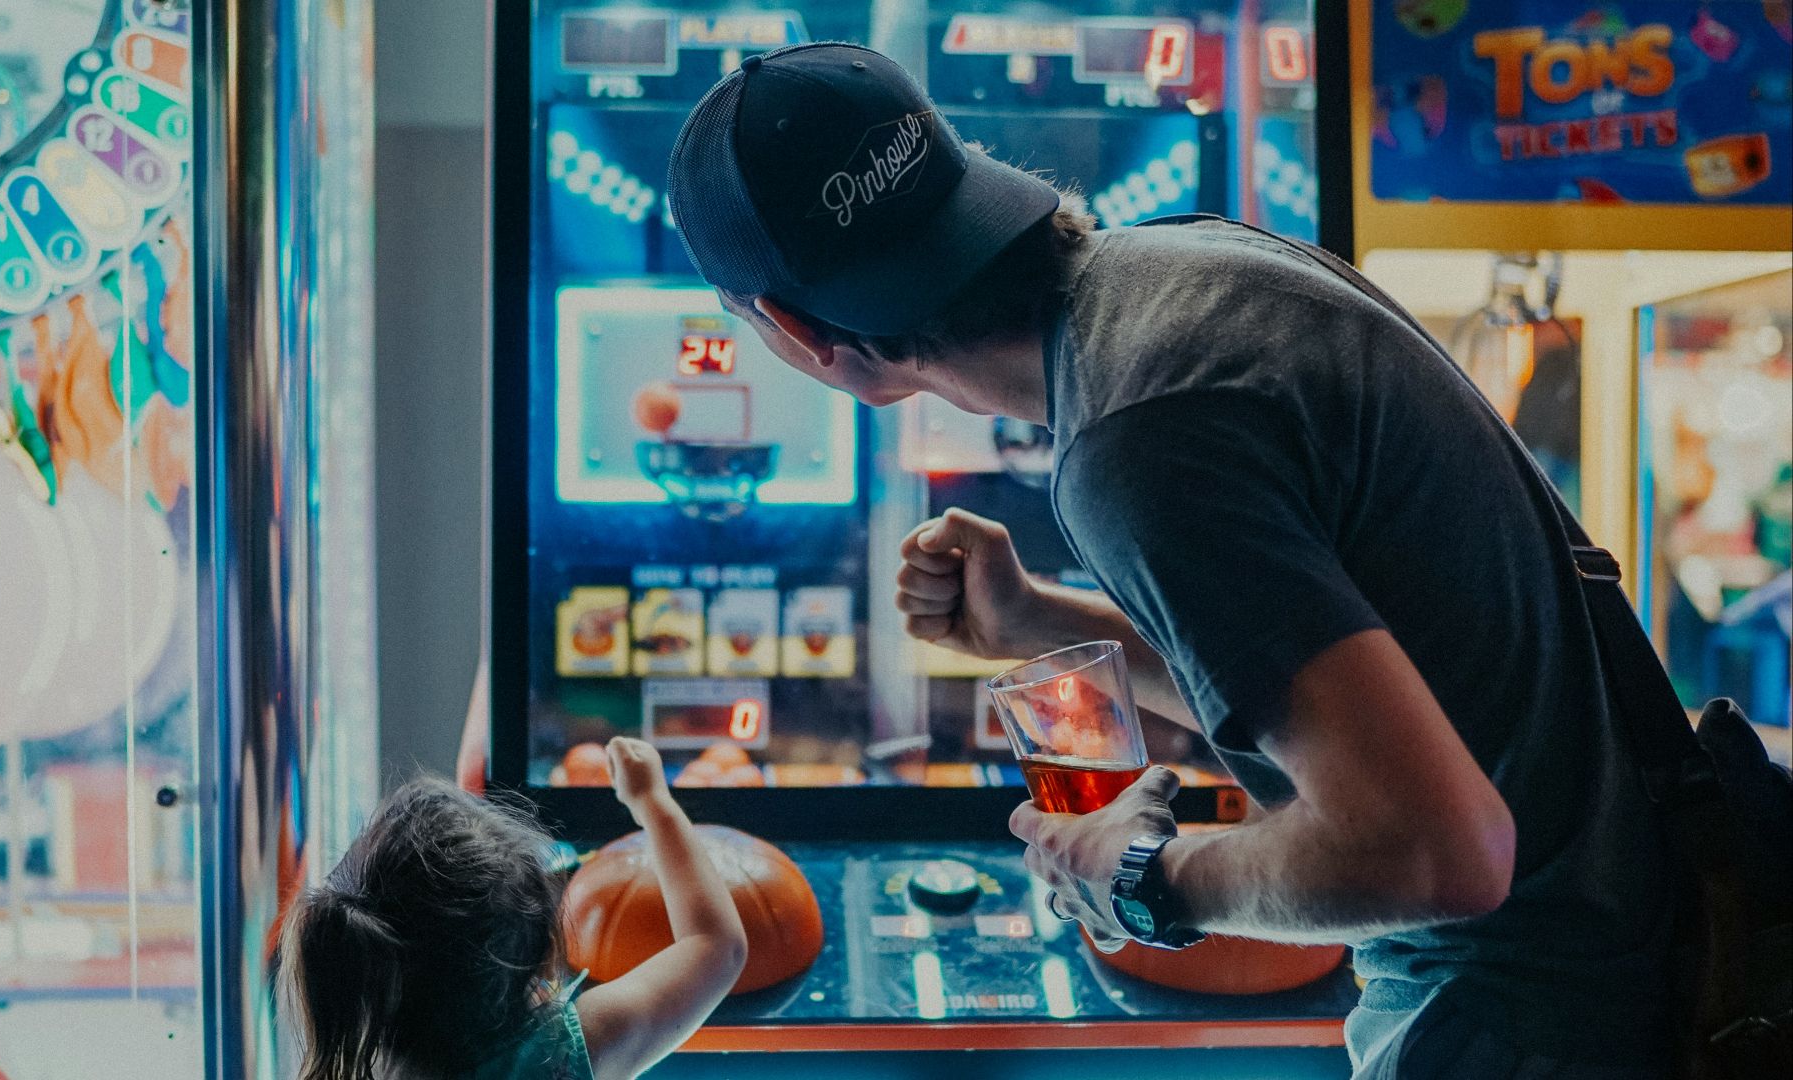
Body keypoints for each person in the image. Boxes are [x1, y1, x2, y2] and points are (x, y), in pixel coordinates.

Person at [657, 42, 1674, 1078]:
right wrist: (1044, 622)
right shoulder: (1188, 273)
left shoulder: (1137, 438)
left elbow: (1433, 853)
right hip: (1632, 942)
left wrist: (1147, 875)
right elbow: (1365, 671)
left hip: (1535, 1021)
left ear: (791, 329)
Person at [282, 739, 747, 1080]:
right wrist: (653, 801)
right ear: (546, 955)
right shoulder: (557, 1057)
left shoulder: (358, 1055)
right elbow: (716, 947)